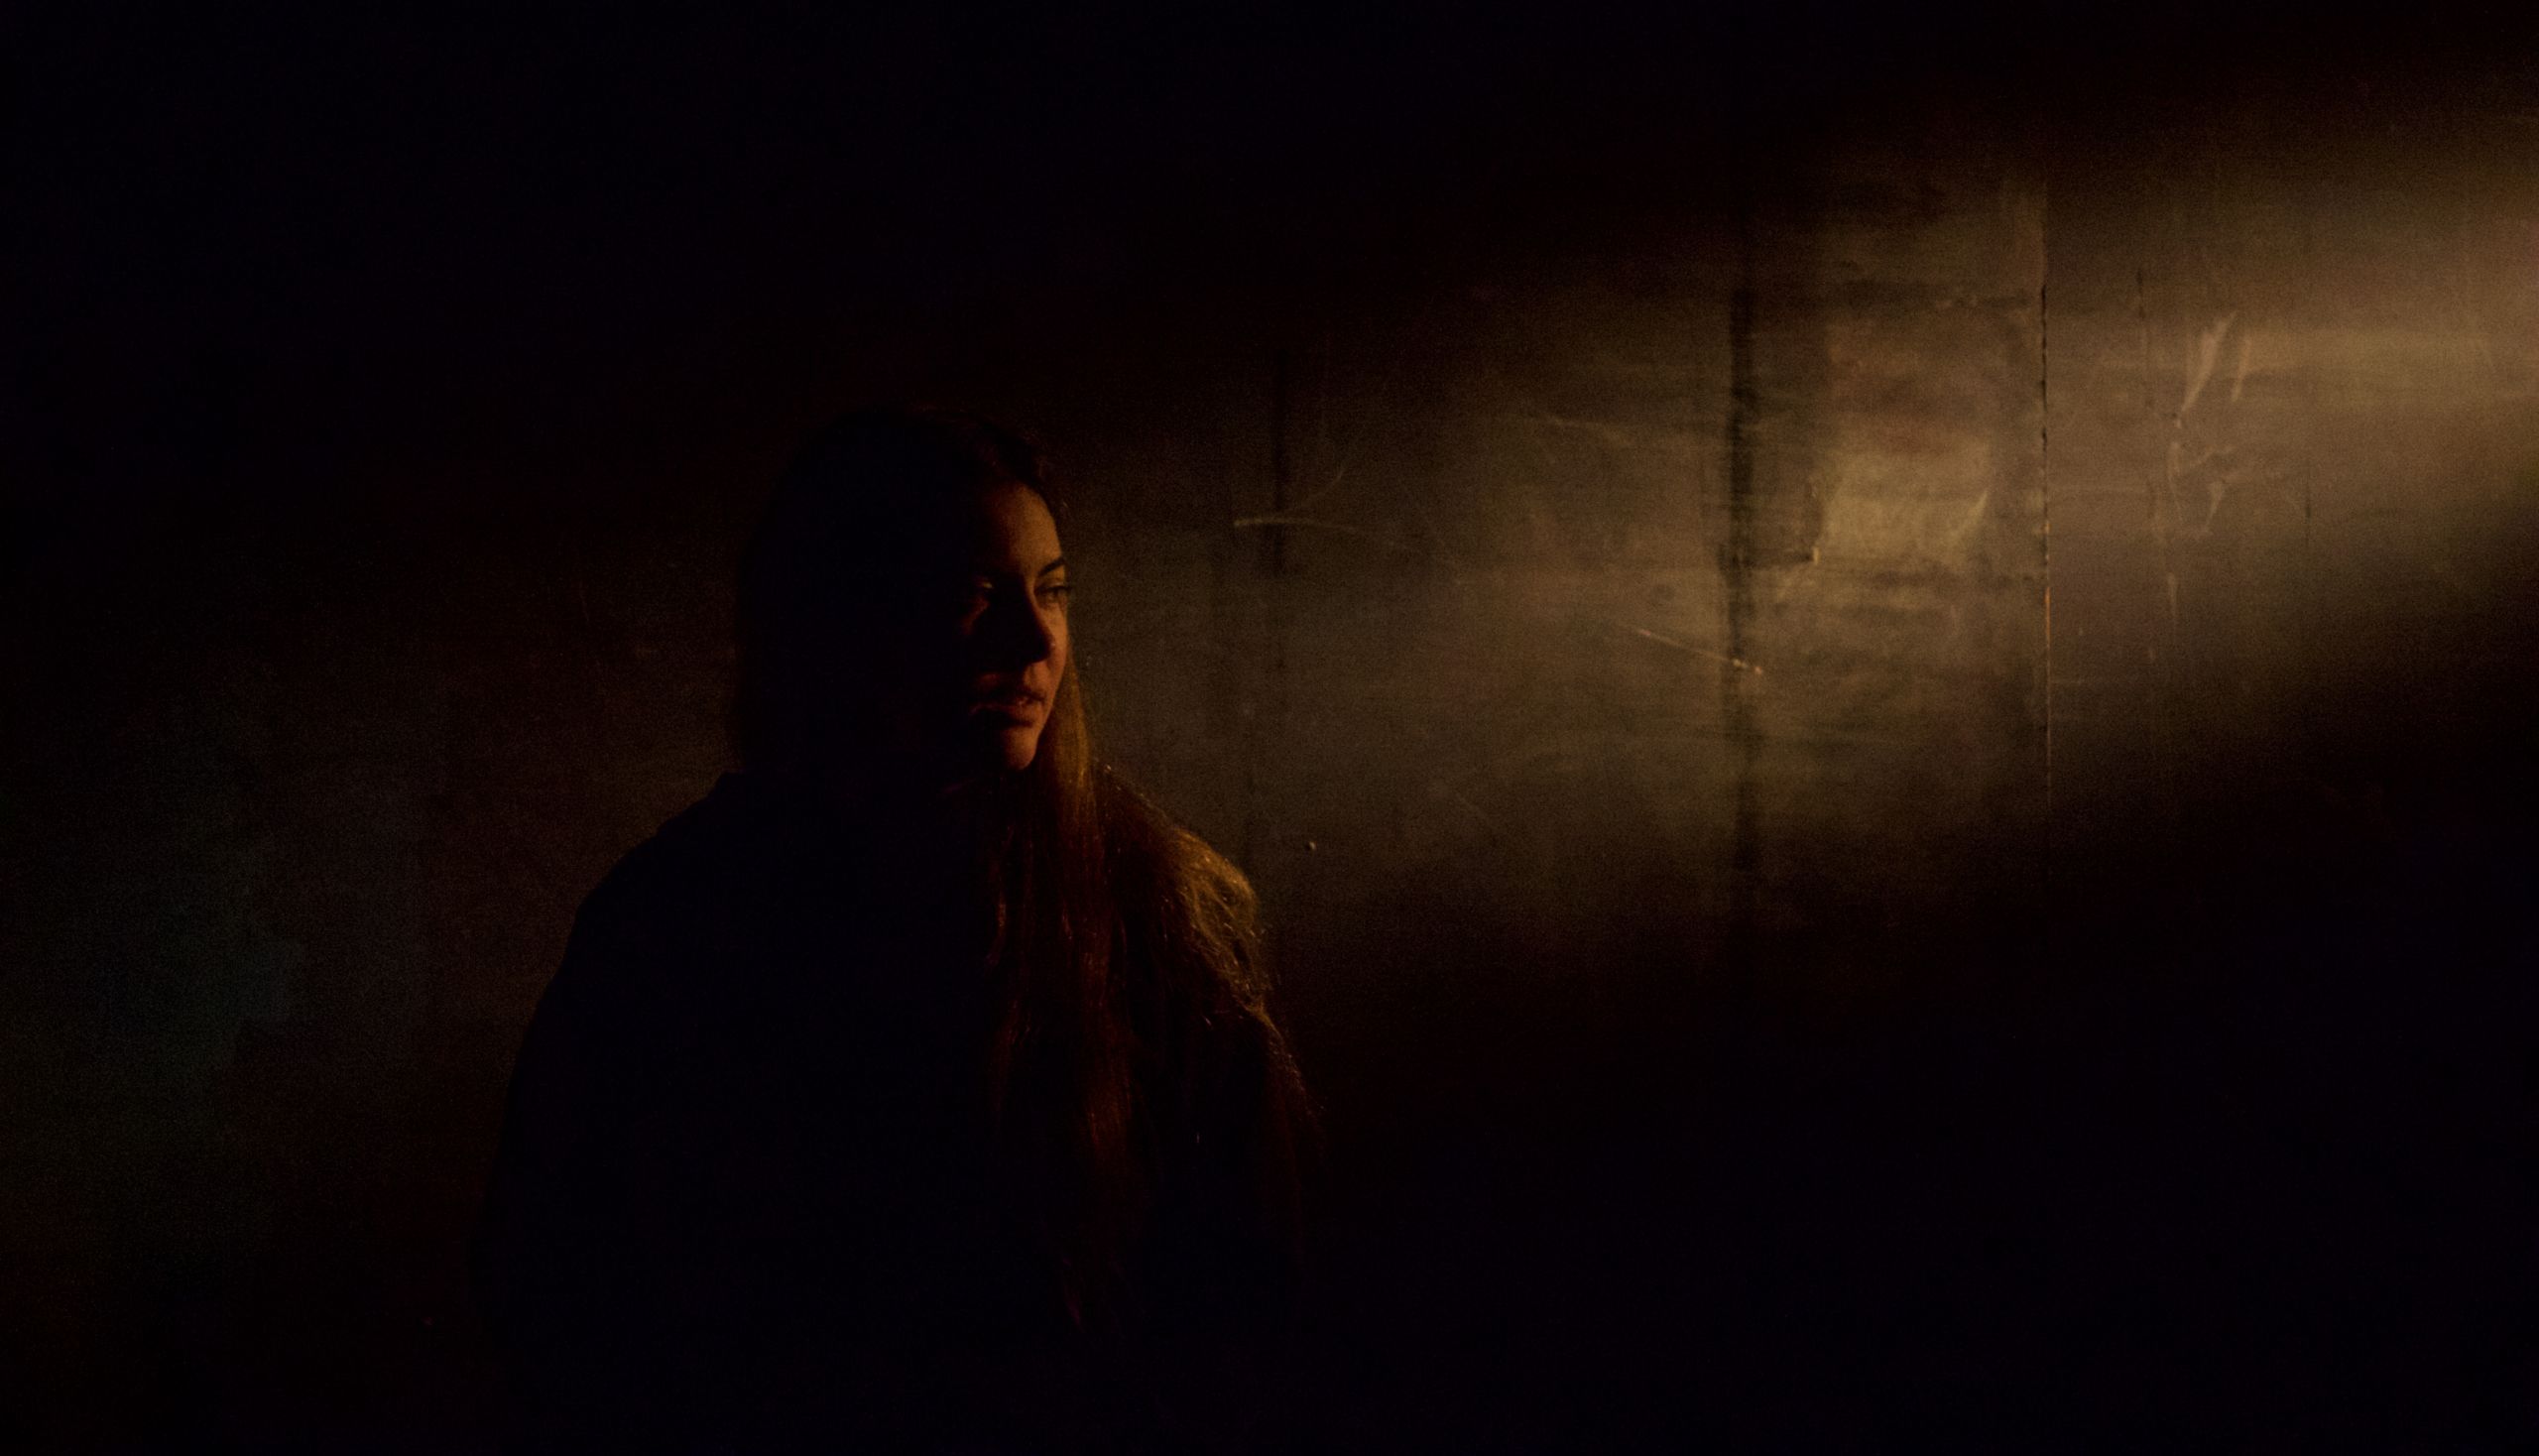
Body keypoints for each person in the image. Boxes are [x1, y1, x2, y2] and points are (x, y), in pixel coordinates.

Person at [472, 408, 1316, 1452]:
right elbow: (561, 1288)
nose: (1034, 640)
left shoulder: (1151, 910)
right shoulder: (681, 921)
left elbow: (1248, 1300)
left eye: (1052, 591)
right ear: (841, 623)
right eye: (975, 594)